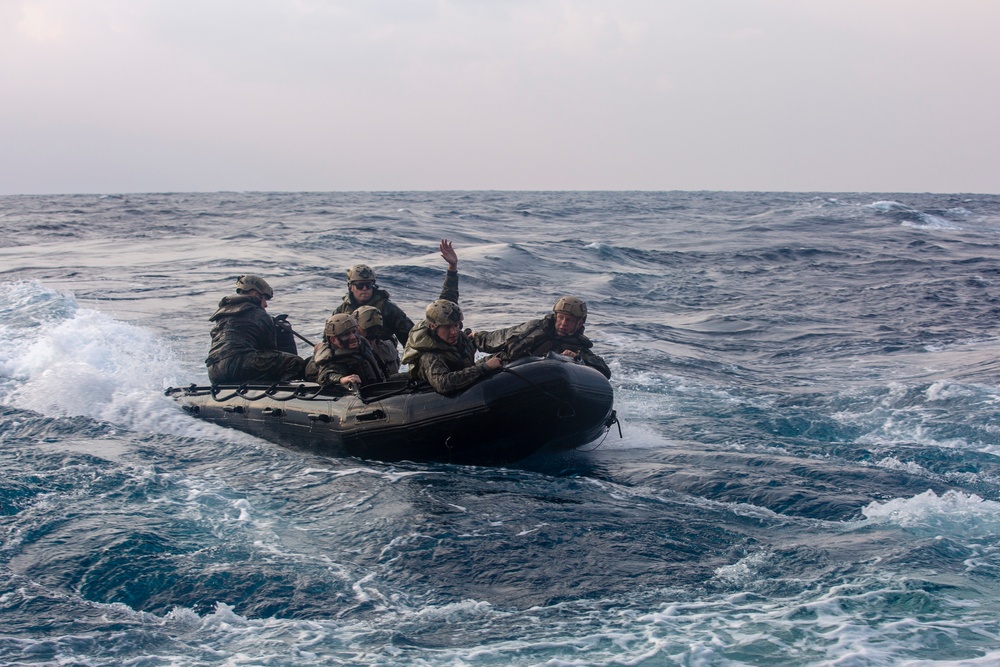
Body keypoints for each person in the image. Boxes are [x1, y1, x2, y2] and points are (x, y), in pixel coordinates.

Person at [333, 239, 460, 350]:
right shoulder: (341, 312)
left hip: (382, 360)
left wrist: (452, 268)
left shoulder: (388, 309)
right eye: (360, 285)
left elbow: (411, 337)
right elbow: (329, 341)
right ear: (350, 286)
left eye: (369, 284)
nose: (365, 288)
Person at [471, 296, 612, 379]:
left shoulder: (579, 348)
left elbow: (604, 372)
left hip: (536, 385)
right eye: (561, 318)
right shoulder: (533, 328)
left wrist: (577, 358)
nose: (563, 323)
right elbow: (498, 337)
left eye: (569, 320)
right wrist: (476, 336)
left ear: (579, 323)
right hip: (501, 371)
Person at [205, 274, 306, 384]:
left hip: (214, 371)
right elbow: (270, 349)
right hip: (239, 365)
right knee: (295, 362)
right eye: (264, 298)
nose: (266, 305)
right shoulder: (259, 314)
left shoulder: (224, 314)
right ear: (255, 294)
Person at [401, 299, 502, 395]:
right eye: (447, 327)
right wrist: (484, 368)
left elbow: (463, 355)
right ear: (433, 327)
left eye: (456, 325)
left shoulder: (456, 341)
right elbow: (443, 383)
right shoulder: (430, 356)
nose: (453, 332)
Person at [305, 313, 387, 387]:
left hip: (378, 386)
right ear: (333, 340)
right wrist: (342, 379)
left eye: (354, 332)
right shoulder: (331, 358)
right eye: (346, 335)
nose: (353, 337)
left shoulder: (363, 345)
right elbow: (326, 376)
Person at [354, 305, 401, 375]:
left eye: (375, 329)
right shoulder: (351, 351)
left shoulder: (388, 347)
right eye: (370, 330)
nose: (373, 331)